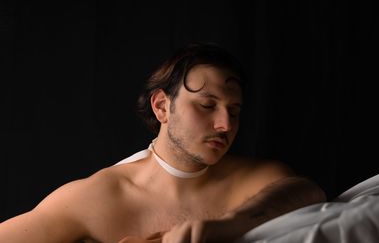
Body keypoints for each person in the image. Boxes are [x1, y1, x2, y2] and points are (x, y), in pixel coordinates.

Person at [0, 42, 326, 243]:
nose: (225, 124)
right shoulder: (99, 198)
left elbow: (309, 193)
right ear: (161, 107)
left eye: (235, 110)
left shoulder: (254, 180)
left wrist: (228, 226)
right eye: (207, 105)